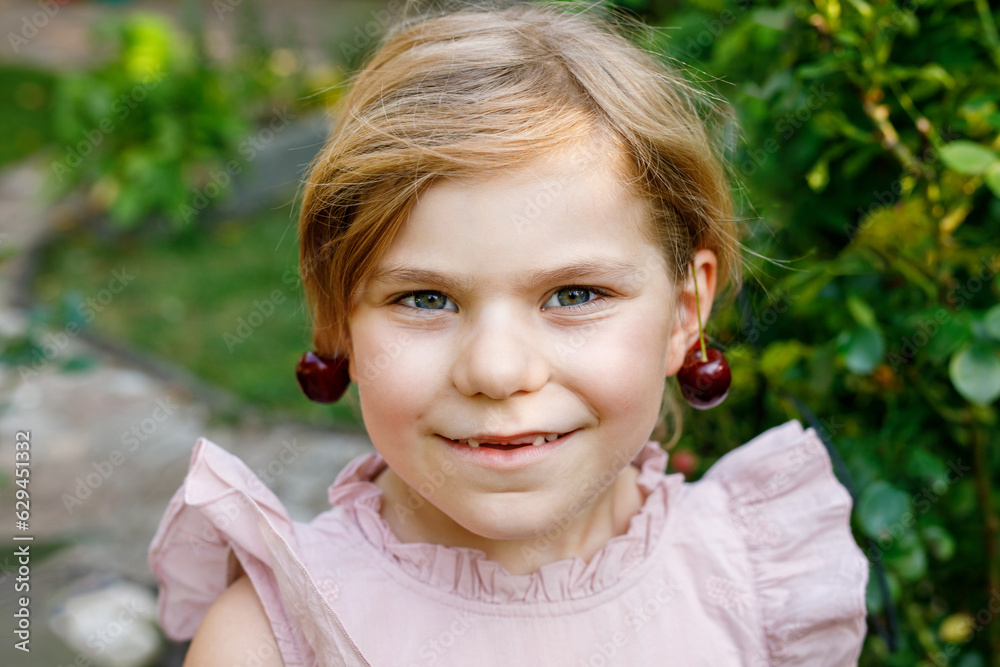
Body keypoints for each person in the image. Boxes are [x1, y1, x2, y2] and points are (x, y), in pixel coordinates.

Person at [148, 2, 869, 665]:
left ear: (685, 313)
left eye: (575, 294)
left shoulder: (757, 581)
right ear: (339, 321)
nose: (496, 370)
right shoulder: (273, 641)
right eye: (426, 298)